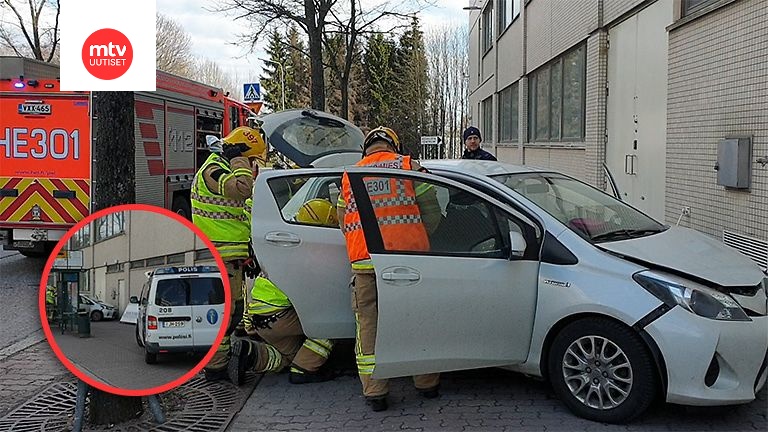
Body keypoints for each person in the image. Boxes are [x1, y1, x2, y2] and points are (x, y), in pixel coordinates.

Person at [336, 126, 442, 412]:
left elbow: (342, 220)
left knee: (369, 327)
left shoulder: (350, 174)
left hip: (365, 263)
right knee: (416, 321)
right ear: (393, 145)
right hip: (408, 261)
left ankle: (376, 392)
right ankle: (426, 383)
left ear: (366, 148)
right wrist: (418, 236)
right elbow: (432, 212)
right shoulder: (409, 166)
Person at [191, 126, 265, 382]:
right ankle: (215, 368)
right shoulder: (215, 169)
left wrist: (249, 249)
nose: (252, 165)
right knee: (225, 314)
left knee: (233, 311)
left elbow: (240, 213)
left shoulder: (223, 167)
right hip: (218, 255)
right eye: (252, 159)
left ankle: (219, 364)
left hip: (230, 255)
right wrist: (239, 160)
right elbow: (242, 189)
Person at [228, 274, 335, 385]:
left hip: (259, 320)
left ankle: (251, 353)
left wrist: (249, 327)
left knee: (289, 357)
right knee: (328, 323)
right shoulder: (300, 264)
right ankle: (304, 370)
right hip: (279, 317)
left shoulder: (268, 264)